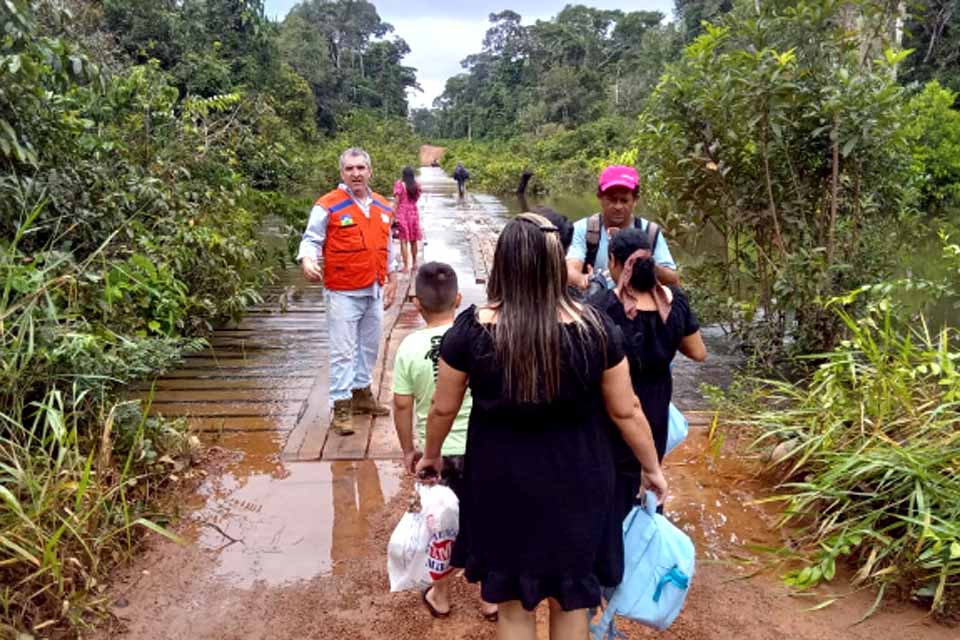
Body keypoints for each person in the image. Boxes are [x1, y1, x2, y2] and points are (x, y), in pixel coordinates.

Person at [415, 213, 667, 640]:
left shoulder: (471, 330)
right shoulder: (596, 328)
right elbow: (627, 411)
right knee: (572, 599)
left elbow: (443, 408)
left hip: (500, 482)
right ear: (555, 265)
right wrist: (652, 467)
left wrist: (432, 455)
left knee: (513, 603)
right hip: (581, 480)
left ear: (504, 264)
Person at [391, 262, 498, 622]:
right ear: (458, 299)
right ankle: (490, 597)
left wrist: (410, 450)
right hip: (480, 448)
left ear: (417, 304)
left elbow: (402, 403)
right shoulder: (476, 337)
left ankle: (441, 594)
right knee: (484, 518)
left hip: (437, 454)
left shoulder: (409, 346)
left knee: (441, 526)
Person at [589, 227, 706, 522]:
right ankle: (649, 530)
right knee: (651, 470)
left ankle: (613, 547)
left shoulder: (603, 307)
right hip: (656, 403)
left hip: (613, 404)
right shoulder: (674, 304)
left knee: (613, 476)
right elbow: (698, 352)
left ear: (614, 262)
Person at [298, 147, 398, 436]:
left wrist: (392, 278)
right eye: (350, 169)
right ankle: (340, 406)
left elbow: (388, 248)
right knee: (343, 351)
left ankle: (361, 394)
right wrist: (307, 259)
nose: (356, 173)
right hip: (342, 290)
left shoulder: (382, 205)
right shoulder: (327, 204)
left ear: (370, 171)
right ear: (342, 173)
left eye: (361, 168)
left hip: (374, 288)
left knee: (370, 345)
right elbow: (311, 239)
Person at [567, 165, 679, 290]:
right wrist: (585, 280)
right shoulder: (583, 229)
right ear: (600, 198)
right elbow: (570, 269)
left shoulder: (650, 232)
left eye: (624, 200)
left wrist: (644, 263)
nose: (618, 206)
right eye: (612, 200)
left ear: (635, 200)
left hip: (639, 304)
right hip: (594, 304)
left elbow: (673, 280)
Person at [393, 166, 423, 273]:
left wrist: (393, 215)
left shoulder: (399, 184)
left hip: (402, 213)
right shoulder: (416, 186)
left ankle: (405, 267)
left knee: (403, 241)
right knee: (413, 240)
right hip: (413, 213)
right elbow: (416, 198)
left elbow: (396, 202)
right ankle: (415, 264)